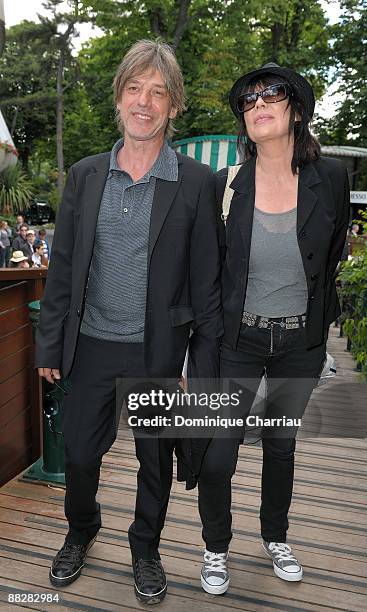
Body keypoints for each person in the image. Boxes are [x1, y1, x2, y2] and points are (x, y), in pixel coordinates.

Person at [35, 39, 221, 604]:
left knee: (154, 460)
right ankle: (81, 529)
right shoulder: (87, 176)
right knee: (82, 454)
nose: (145, 102)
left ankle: (146, 548)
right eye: (135, 89)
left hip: (159, 350)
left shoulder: (195, 182)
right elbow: (63, 269)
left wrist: (196, 364)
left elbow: (208, 283)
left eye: (158, 92)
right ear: (119, 97)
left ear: (173, 105)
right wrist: (49, 346)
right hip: (90, 344)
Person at [197, 63, 350, 593]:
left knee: (279, 445)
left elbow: (329, 259)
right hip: (238, 343)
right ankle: (216, 546)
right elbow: (213, 273)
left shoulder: (331, 178)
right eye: (248, 99)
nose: (258, 103)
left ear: (295, 108)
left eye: (271, 94)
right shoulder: (227, 185)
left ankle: (275, 534)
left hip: (299, 345)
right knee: (219, 452)